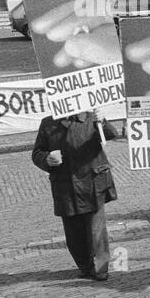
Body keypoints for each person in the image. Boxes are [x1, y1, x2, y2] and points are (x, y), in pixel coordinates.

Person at [31, 111, 120, 281]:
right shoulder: (48, 123)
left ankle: (101, 270)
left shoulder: (92, 118)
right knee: (74, 235)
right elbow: (37, 152)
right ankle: (85, 267)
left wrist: (104, 122)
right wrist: (46, 159)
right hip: (65, 186)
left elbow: (111, 134)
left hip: (93, 184)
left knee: (97, 232)